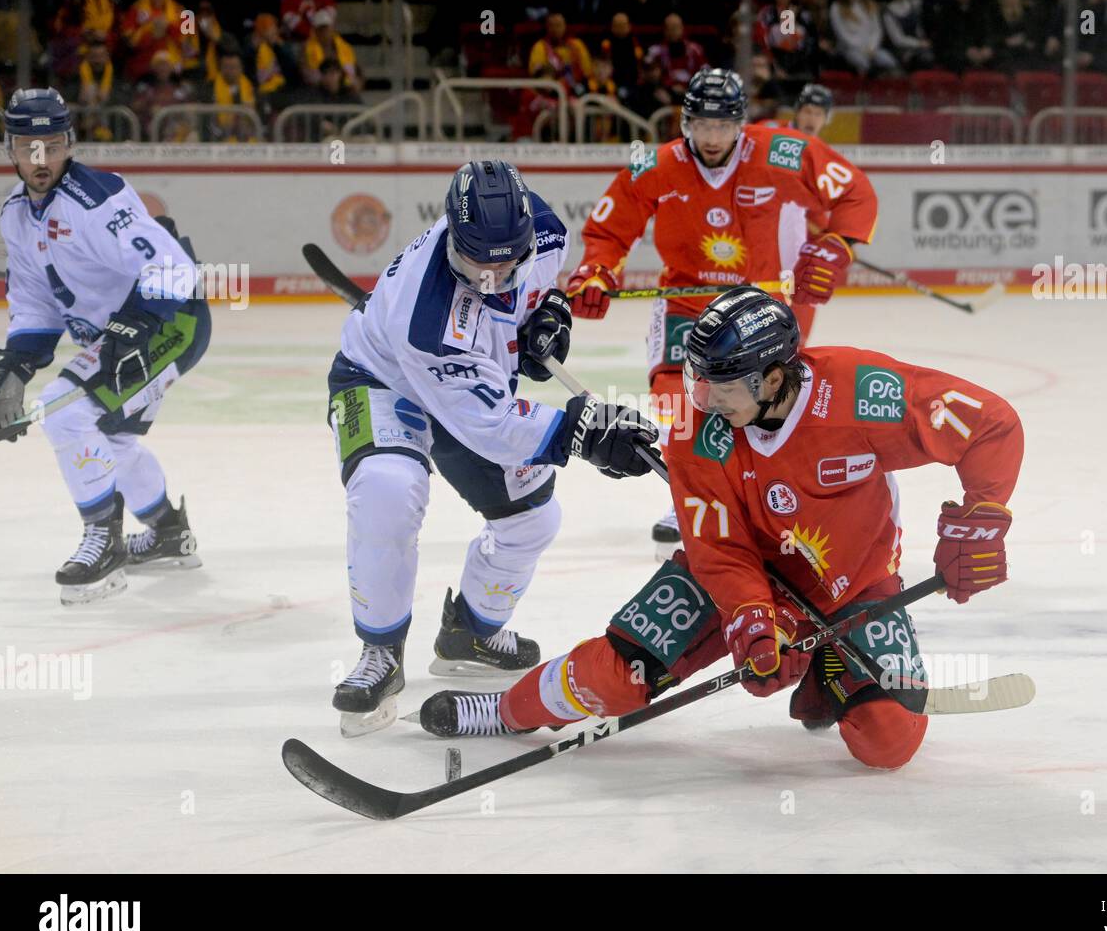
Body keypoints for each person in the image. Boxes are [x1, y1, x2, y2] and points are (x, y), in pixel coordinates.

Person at [416, 289, 1024, 772]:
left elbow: (990, 425)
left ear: (775, 379)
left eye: (722, 385)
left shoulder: (860, 393)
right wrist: (755, 621)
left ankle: (826, 669)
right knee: (618, 677)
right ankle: (504, 709)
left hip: (854, 585)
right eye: (697, 380)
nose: (702, 399)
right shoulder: (697, 433)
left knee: (888, 742)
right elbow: (720, 549)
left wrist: (982, 521)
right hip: (732, 576)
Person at [324, 160, 658, 735]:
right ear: (453, 236)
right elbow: (491, 427)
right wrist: (586, 430)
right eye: (479, 261)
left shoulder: (542, 228)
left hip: (474, 389)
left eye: (510, 262)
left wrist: (550, 311)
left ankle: (471, 633)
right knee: (387, 489)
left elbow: (539, 283)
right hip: (382, 382)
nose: (495, 276)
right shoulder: (425, 316)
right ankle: (379, 650)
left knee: (532, 520)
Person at [564, 66, 878, 552]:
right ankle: (688, 493)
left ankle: (759, 497)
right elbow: (609, 229)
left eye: (723, 126)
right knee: (680, 399)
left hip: (755, 307)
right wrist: (596, 271)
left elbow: (854, 190)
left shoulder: (781, 151)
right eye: (702, 126)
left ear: (741, 125)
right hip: (685, 300)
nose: (712, 138)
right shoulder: (655, 164)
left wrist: (837, 245)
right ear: (685, 123)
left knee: (763, 405)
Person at [0, 89, 211, 605]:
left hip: (168, 322)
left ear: (69, 142)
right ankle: (167, 533)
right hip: (121, 335)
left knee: (66, 416)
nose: (40, 159)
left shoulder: (99, 199)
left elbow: (172, 269)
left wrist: (130, 329)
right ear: (10, 151)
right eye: (28, 147)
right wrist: (17, 365)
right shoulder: (15, 215)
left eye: (51, 144)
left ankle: (103, 541)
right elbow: (34, 300)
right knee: (108, 438)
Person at [830, 0, 898, 76]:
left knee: (889, 61)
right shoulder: (837, 7)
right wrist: (862, 49)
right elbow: (842, 34)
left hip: (871, 48)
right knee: (862, 63)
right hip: (850, 49)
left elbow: (877, 30)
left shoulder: (869, 5)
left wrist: (871, 47)